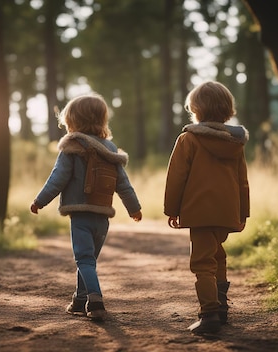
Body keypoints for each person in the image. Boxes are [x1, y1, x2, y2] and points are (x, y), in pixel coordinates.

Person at [31, 93, 142, 321]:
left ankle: (96, 301)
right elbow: (123, 183)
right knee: (88, 260)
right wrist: (134, 208)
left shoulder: (72, 146)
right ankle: (79, 301)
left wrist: (39, 201)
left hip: (81, 214)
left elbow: (58, 178)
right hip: (102, 218)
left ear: (73, 121)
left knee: (84, 260)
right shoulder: (110, 148)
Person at [164, 81, 250, 335]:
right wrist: (243, 213)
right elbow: (242, 180)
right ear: (227, 110)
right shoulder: (236, 143)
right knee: (218, 256)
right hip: (226, 212)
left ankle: (209, 314)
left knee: (202, 262)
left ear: (196, 109)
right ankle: (221, 308)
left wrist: (172, 209)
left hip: (199, 212)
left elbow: (176, 177)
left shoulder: (188, 139)